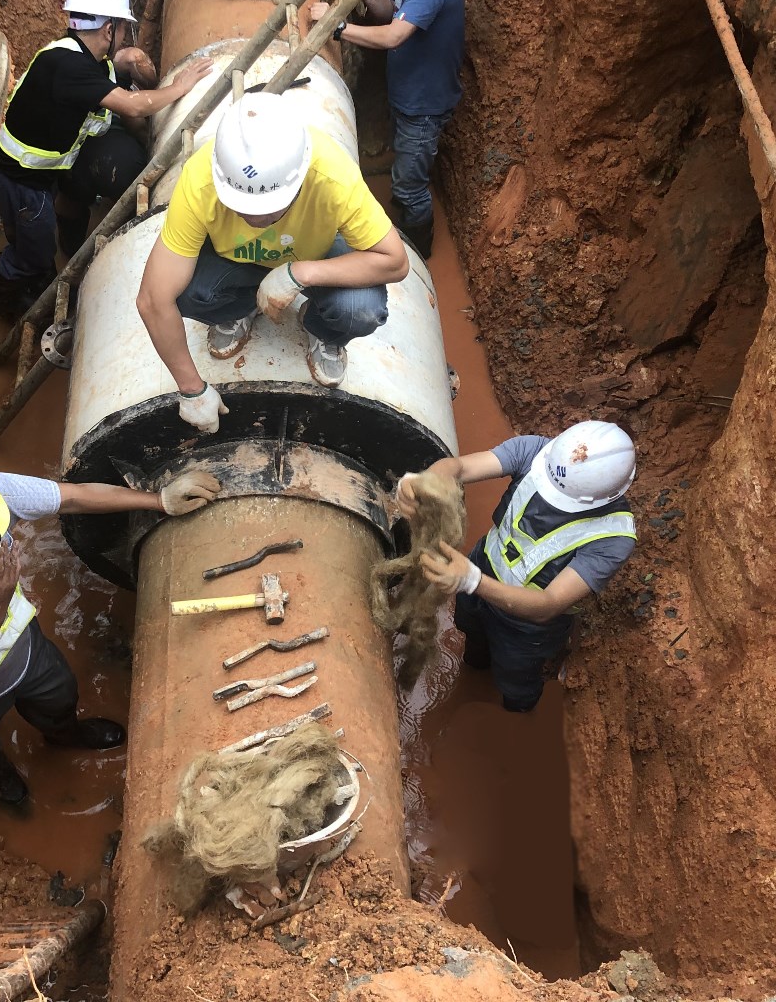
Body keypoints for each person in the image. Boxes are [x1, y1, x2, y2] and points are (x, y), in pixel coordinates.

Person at [0, 461, 222, 804]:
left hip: (25, 652)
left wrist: (158, 500)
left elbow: (73, 496)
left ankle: (65, 735)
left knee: (59, 697)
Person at [135, 93, 409, 423]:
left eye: (269, 208)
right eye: (243, 206)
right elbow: (153, 299)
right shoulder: (200, 179)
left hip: (318, 253)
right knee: (186, 293)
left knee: (360, 310)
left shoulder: (332, 175)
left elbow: (395, 261)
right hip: (236, 261)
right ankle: (242, 307)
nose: (256, 219)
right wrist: (192, 390)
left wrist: (299, 274)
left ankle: (323, 331)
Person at [0, 0, 211, 316]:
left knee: (31, 240)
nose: (123, 36)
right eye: (122, 28)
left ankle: (31, 271)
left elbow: (106, 72)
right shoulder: (73, 70)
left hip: (17, 173)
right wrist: (179, 87)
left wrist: (133, 62)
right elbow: (134, 105)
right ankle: (9, 301)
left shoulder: (67, 53)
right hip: (24, 183)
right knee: (33, 248)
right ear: (109, 29)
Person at [403, 422, 637, 712]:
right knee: (471, 637)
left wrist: (472, 581)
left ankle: (517, 710)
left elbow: (548, 605)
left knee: (516, 679)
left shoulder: (613, 538)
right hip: (479, 570)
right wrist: (426, 480)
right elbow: (460, 468)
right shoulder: (537, 452)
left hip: (527, 627)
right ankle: (474, 668)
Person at [310, 0, 464, 258]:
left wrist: (338, 27)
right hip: (409, 97)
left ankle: (417, 260)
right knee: (404, 175)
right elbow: (391, 11)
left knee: (410, 187)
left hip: (423, 106)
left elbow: (395, 35)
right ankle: (405, 229)